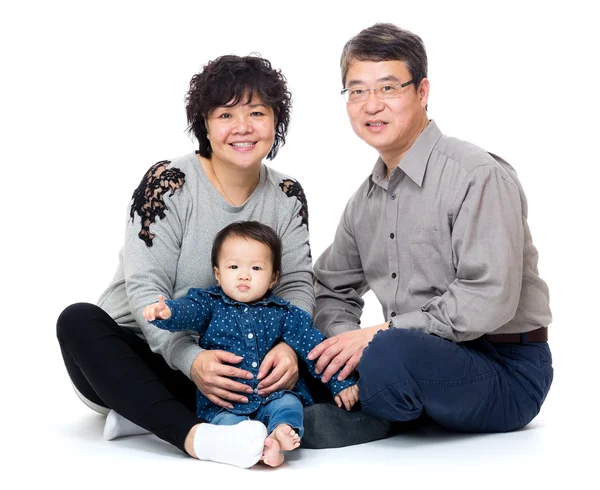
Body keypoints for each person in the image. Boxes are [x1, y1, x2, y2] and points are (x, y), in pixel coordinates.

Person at [57, 54, 319, 469]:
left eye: (257, 112)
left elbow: (297, 286)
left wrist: (288, 348)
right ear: (205, 124)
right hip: (137, 356)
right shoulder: (169, 182)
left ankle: (147, 416)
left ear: (275, 121)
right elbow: (145, 290)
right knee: (77, 320)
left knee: (319, 355)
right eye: (226, 114)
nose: (243, 127)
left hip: (236, 369)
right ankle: (196, 437)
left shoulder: (287, 194)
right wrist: (191, 361)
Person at [308, 23, 553, 434]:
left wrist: (376, 337)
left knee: (390, 352)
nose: (371, 105)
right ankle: (363, 391)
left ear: (422, 92)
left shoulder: (475, 175)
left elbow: (489, 297)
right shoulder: (363, 203)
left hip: (505, 370)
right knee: (290, 335)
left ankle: (363, 408)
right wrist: (343, 342)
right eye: (357, 91)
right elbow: (329, 288)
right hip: (418, 357)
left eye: (388, 88)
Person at [143, 221, 359, 467]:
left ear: (273, 277)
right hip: (225, 402)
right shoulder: (209, 303)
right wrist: (167, 312)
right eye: (233, 266)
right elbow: (188, 310)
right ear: (217, 273)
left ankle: (280, 434)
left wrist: (341, 383)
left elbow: (314, 348)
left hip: (274, 394)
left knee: (290, 406)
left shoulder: (284, 313)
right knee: (223, 424)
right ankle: (244, 444)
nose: (244, 275)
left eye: (256, 268)